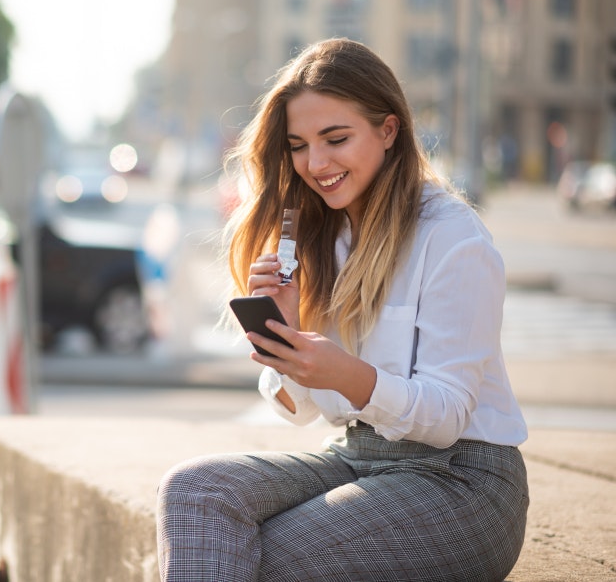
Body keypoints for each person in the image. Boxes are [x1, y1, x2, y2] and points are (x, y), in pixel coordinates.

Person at [156, 38, 529, 581]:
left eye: (336, 139)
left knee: (271, 554)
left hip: (464, 482)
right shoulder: (323, 239)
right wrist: (289, 334)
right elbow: (301, 410)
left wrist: (351, 376)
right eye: (300, 145)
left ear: (388, 129)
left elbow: (447, 416)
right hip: (359, 457)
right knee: (192, 493)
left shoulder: (452, 236)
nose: (316, 163)